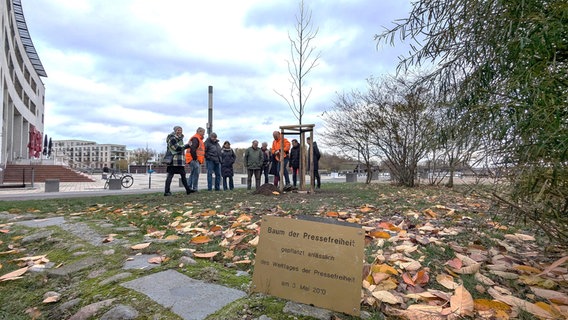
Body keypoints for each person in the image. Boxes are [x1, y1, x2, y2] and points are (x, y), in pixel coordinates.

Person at [164, 126, 192, 196]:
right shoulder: (172, 138)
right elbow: (176, 148)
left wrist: (186, 146)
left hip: (180, 160)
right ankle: (166, 191)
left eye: (181, 130)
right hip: (174, 160)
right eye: (178, 130)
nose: (180, 131)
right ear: (175, 131)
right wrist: (187, 146)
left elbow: (180, 148)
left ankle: (188, 190)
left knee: (183, 175)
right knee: (170, 176)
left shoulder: (180, 139)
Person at [186, 127, 205, 192]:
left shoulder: (197, 138)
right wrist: (195, 158)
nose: (204, 134)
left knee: (193, 173)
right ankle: (194, 188)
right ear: (199, 131)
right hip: (194, 159)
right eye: (203, 132)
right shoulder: (196, 138)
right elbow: (193, 149)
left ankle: (189, 187)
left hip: (193, 159)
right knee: (195, 174)